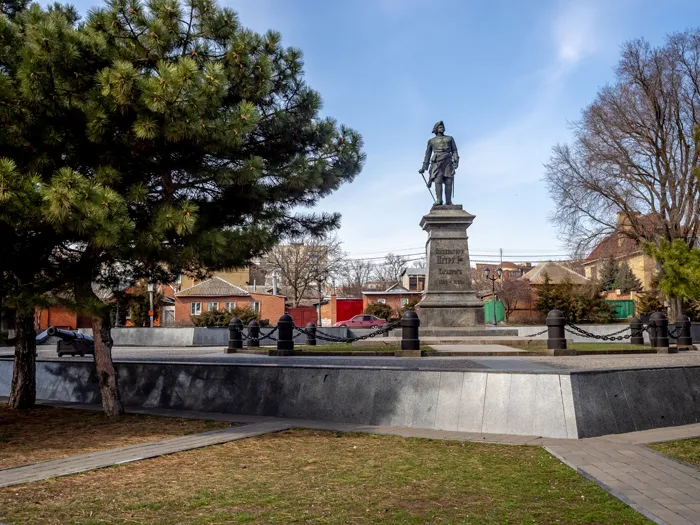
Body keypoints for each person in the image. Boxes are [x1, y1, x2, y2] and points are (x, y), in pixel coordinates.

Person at [419, 121, 459, 205]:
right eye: (440, 127)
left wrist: (456, 160)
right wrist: (424, 168)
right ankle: (439, 200)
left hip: (448, 162)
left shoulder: (450, 138)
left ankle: (448, 201)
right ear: (436, 129)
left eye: (442, 127)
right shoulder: (431, 141)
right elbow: (427, 155)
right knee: (438, 180)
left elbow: (454, 150)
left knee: (448, 181)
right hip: (437, 162)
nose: (442, 128)